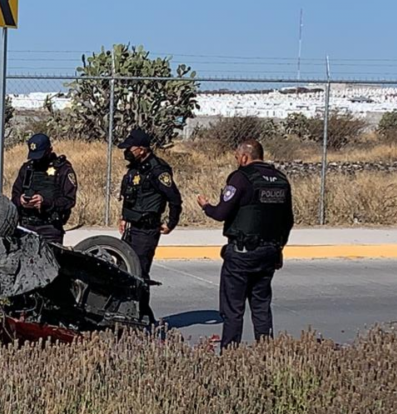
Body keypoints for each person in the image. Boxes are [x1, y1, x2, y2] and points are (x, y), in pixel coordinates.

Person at [197, 139, 294, 351]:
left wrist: (206, 206)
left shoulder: (241, 178)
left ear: (244, 157)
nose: (237, 161)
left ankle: (230, 355)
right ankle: (266, 352)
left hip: (242, 253)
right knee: (261, 306)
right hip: (269, 251)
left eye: (236, 157)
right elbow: (288, 221)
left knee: (233, 309)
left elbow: (221, 213)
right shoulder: (280, 179)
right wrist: (279, 248)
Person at [118, 127, 182, 323]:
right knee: (123, 270)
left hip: (146, 230)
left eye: (131, 148)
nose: (128, 151)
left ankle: (144, 318)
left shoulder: (158, 170)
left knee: (139, 274)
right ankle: (127, 314)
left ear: (143, 149)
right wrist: (123, 217)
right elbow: (129, 196)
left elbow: (175, 199)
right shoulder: (135, 168)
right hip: (131, 228)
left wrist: (171, 223)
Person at [11, 133, 77, 244]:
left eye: (40, 156)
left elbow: (69, 200)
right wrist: (21, 200)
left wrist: (45, 202)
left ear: (49, 150)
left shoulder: (63, 170)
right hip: (26, 227)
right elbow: (15, 195)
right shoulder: (27, 169)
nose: (37, 161)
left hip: (50, 229)